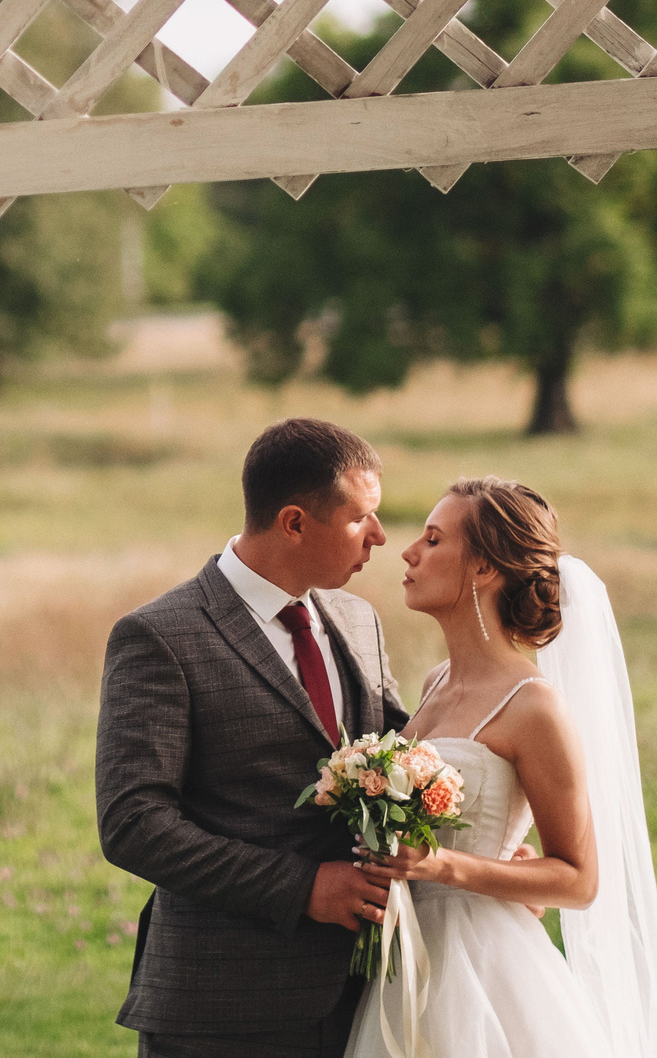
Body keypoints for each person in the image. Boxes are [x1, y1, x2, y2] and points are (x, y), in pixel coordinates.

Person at [95, 417, 408, 1057]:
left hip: (365, 996)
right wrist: (302, 888)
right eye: (360, 519)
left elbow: (408, 762)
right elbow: (133, 822)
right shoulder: (160, 637)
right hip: (222, 1008)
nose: (380, 537)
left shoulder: (358, 618)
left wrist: (485, 848)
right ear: (293, 522)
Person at [350, 476, 657, 1058]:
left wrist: (445, 864)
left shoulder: (533, 707)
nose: (408, 551)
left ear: (483, 570)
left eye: (433, 540)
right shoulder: (435, 682)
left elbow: (578, 880)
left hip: (484, 966)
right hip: (407, 958)